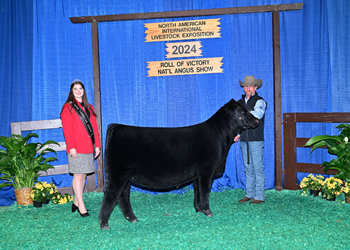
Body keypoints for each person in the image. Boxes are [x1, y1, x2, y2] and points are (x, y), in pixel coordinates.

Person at [60, 79, 101, 216]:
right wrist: (71, 147)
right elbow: (67, 129)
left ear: (84, 91)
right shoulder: (68, 107)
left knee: (83, 175)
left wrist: (97, 145)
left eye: (80, 88)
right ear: (72, 92)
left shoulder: (89, 107)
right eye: (75, 89)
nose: (78, 91)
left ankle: (76, 202)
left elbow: (94, 127)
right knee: (78, 175)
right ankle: (81, 206)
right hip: (76, 147)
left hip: (88, 146)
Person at [234, 75, 267, 204]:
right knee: (248, 167)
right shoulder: (240, 103)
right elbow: (236, 121)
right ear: (244, 88)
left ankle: (259, 196)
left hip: (256, 139)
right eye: (245, 86)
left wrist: (241, 114)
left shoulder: (260, 101)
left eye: (250, 86)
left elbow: (257, 114)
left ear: (255, 87)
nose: (248, 89)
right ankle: (249, 193)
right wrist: (236, 133)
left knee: (257, 167)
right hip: (244, 140)